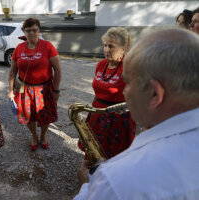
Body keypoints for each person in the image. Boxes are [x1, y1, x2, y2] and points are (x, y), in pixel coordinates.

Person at [73, 27, 199, 199]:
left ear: (155, 93)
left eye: (128, 83)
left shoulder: (115, 180)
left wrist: (87, 186)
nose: (125, 92)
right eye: (105, 46)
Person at [78, 27, 136, 159]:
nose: (106, 50)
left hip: (118, 117)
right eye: (105, 45)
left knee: (113, 156)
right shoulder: (101, 64)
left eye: (111, 46)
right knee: (93, 151)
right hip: (97, 113)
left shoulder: (129, 66)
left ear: (123, 48)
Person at [8, 18, 62, 151]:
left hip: (45, 88)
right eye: (28, 30)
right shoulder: (19, 48)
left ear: (39, 30)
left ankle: (43, 135)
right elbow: (13, 71)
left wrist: (56, 90)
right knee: (28, 115)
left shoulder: (47, 46)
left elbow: (58, 70)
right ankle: (34, 135)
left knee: (45, 115)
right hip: (24, 88)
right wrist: (10, 90)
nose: (31, 33)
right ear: (24, 31)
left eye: (35, 30)